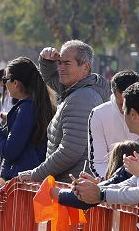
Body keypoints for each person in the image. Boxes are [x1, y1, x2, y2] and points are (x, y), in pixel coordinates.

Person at [18, 40, 110, 182]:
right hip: (71, 184)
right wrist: (47, 61)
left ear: (85, 67)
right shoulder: (75, 90)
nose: (60, 68)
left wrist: (36, 174)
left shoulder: (82, 98)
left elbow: (69, 151)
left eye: (66, 63)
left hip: (73, 187)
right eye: (59, 63)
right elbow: (50, 78)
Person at [0, 56, 55, 180]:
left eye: (5, 79)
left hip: (21, 181)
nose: (4, 84)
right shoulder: (37, 104)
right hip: (29, 178)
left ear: (16, 83)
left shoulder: (26, 108)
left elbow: (10, 151)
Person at [86, 70, 139, 178]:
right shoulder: (98, 114)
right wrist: (111, 184)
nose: (125, 109)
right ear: (113, 93)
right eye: (121, 104)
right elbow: (98, 161)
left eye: (130, 103)